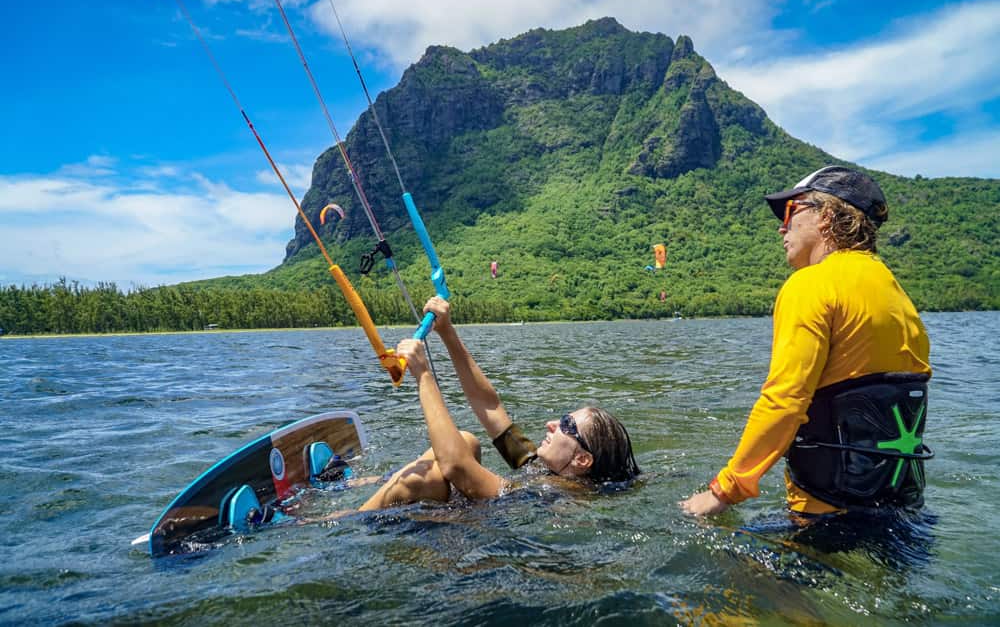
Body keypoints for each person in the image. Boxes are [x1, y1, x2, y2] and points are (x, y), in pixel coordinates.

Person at [680, 165, 932, 517]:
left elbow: (784, 400)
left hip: (827, 516)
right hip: (905, 510)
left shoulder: (810, 285)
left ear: (826, 216)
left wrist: (723, 491)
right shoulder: (896, 294)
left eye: (789, 212)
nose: (782, 228)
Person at [359, 296, 640, 510]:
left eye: (567, 425)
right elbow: (490, 407)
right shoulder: (541, 470)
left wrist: (423, 375)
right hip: (473, 520)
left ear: (582, 459)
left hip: (474, 546)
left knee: (424, 479)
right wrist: (447, 332)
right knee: (467, 440)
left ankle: (339, 520)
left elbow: (457, 467)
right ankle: (360, 484)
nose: (552, 424)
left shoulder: (551, 494)